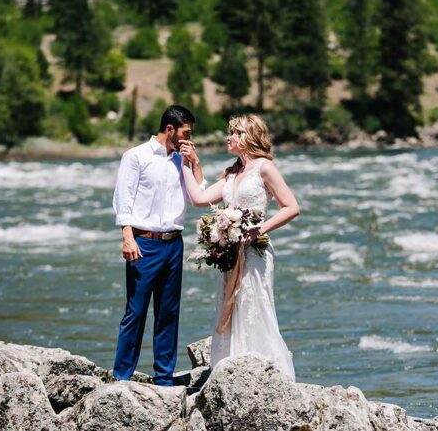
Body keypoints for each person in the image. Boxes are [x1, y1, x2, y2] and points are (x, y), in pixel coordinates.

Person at [179, 114, 299, 380]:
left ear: (246, 137)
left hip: (255, 253)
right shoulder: (231, 173)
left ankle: (265, 374)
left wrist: (260, 229)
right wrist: (186, 164)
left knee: (254, 307)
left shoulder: (264, 168)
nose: (228, 137)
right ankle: (230, 373)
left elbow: (291, 207)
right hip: (232, 255)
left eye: (232, 133)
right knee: (230, 307)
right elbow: (199, 199)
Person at [111, 105, 206, 385]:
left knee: (168, 312)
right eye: (186, 133)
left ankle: (163, 377)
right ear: (170, 130)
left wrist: (195, 163)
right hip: (144, 243)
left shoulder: (182, 159)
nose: (189, 138)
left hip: (174, 244)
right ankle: (122, 377)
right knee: (136, 311)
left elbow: (199, 194)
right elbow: (123, 198)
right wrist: (127, 236)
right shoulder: (136, 156)